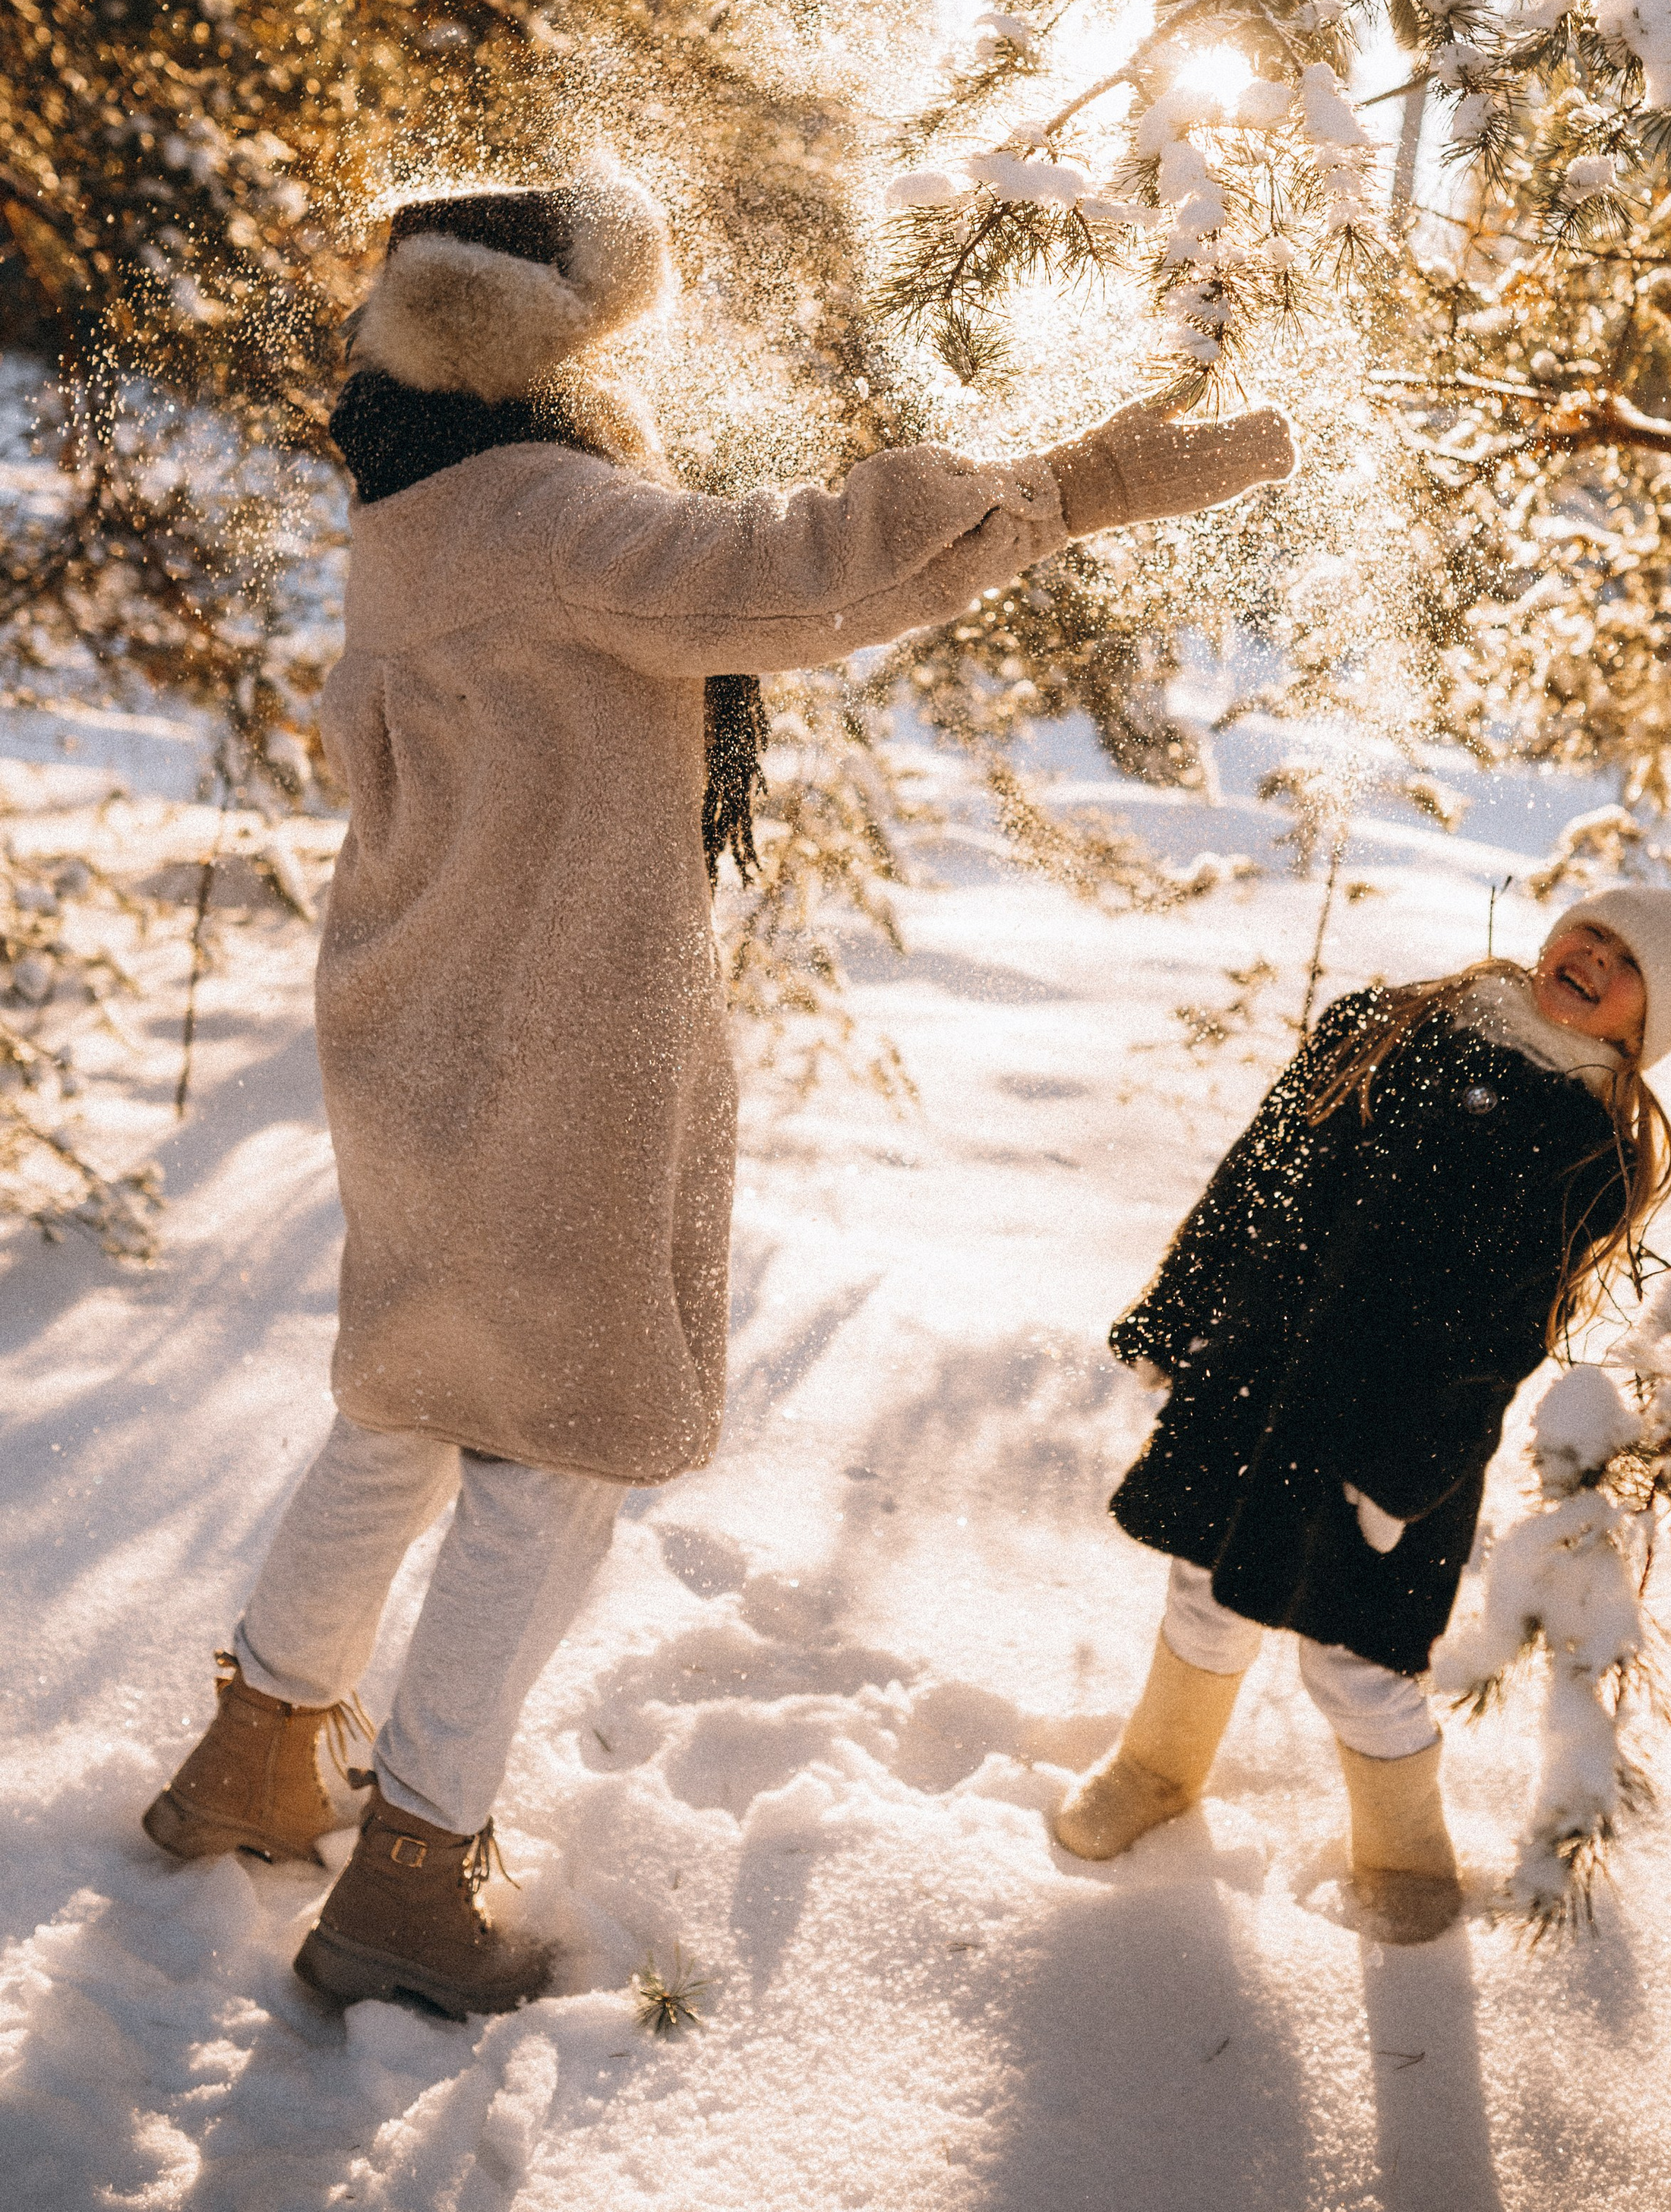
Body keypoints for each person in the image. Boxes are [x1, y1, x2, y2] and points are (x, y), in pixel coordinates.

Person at [139, 168, 1294, 2018]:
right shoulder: (545, 511)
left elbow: (732, 590)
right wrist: (1062, 488)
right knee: (551, 1458)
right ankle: (407, 1884)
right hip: (538, 1050)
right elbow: (785, 574)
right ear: (540, 341)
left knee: (410, 1403)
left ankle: (255, 1760)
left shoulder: (418, 499)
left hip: (423, 1030)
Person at [1053, 885, 1671, 1942]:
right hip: (1258, 1375)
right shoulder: (1393, 1025)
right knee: (1205, 1587)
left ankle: (1403, 1849)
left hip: (1387, 1437)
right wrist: (1183, 1313)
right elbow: (1261, 1170)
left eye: (1629, 966)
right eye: (1591, 934)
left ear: (1648, 1026)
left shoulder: (1579, 1149)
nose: (1594, 960)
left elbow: (1497, 1339)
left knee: (1357, 1663)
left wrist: (1401, 1475)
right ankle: (1158, 1766)